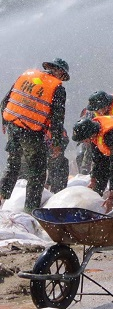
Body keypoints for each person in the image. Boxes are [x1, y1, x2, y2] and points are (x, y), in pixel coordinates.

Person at [1, 58, 69, 211]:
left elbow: (6, 100)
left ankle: (1, 197)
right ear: (59, 71)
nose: (62, 79)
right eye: (62, 75)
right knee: (37, 172)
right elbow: (57, 120)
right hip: (31, 131)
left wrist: (4, 122)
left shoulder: (27, 76)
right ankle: (30, 210)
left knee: (13, 165)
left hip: (13, 125)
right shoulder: (56, 88)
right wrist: (57, 144)